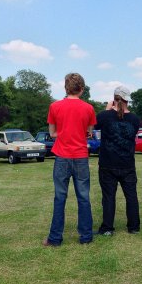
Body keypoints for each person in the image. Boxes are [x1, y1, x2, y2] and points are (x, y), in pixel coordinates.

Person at [43, 73, 97, 246]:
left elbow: (52, 133)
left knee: (60, 197)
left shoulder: (54, 106)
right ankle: (86, 236)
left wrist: (64, 132)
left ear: (66, 88)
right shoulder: (88, 108)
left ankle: (55, 238)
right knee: (83, 197)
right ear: (82, 89)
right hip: (80, 156)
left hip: (62, 157)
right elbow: (89, 132)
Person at [95, 86, 140, 235]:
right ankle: (133, 227)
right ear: (128, 100)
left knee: (108, 197)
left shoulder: (104, 116)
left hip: (108, 163)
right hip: (127, 163)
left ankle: (107, 228)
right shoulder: (134, 119)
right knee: (131, 196)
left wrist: (108, 109)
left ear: (114, 98)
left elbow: (94, 125)